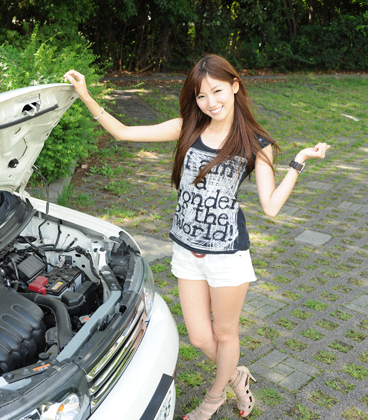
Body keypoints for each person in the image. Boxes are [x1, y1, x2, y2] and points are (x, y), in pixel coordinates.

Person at [64, 54, 330, 420]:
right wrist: (84, 94)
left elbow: (270, 207)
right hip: (187, 252)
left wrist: (298, 162)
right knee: (200, 338)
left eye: (218, 91)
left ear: (235, 86)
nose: (211, 102)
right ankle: (237, 375)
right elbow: (123, 132)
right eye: (201, 96)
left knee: (224, 334)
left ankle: (215, 396)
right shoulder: (187, 127)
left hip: (227, 257)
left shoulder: (256, 143)